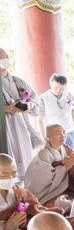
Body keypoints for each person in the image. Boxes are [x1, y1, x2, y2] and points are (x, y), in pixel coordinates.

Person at [24, 124, 74, 210]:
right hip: (50, 192)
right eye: (57, 133)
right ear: (48, 136)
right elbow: (43, 177)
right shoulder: (44, 154)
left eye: (64, 132)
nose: (62, 135)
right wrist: (65, 167)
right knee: (58, 205)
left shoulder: (67, 149)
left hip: (66, 187)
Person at [0, 48, 43, 183]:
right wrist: (7, 109)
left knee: (25, 162)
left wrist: (29, 105)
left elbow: (35, 98)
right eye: (1, 57)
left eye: (6, 55)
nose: (5, 59)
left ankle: (22, 192)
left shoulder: (18, 81)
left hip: (21, 126)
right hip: (4, 128)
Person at [37, 74, 74, 148]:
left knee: (70, 156)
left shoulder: (69, 95)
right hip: (53, 134)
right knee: (55, 158)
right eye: (55, 88)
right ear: (51, 84)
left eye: (62, 89)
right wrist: (43, 137)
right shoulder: (43, 98)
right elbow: (40, 120)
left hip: (69, 131)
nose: (58, 91)